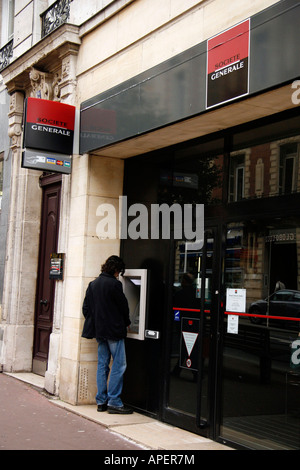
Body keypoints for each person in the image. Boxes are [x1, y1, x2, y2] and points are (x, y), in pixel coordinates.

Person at [82, 255, 133, 414]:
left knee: (102, 365)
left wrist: (97, 321)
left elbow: (86, 309)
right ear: (116, 270)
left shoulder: (93, 284)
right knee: (119, 364)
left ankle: (101, 401)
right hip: (114, 331)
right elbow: (123, 307)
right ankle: (114, 402)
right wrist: (126, 322)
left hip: (99, 331)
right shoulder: (114, 285)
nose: (119, 274)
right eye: (119, 271)